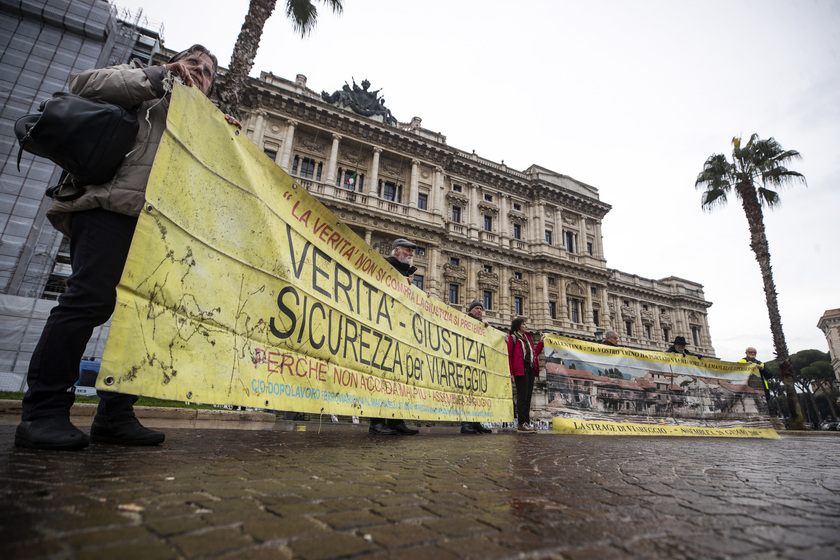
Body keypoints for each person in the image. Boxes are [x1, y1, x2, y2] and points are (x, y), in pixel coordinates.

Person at [15, 45, 238, 451]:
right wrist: (158, 76)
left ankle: (115, 415)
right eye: (192, 62)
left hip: (160, 228)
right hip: (109, 206)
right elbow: (82, 83)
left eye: (206, 72)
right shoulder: (142, 82)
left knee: (143, 319)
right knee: (89, 301)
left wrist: (221, 139)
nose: (198, 72)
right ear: (175, 63)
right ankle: (43, 412)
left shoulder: (201, 121)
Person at [368, 238, 420, 436]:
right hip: (384, 329)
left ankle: (396, 420)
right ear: (396, 250)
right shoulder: (386, 267)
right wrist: (399, 283)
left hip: (401, 330)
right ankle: (377, 422)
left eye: (412, 251)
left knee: (399, 377)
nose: (411, 254)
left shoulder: (406, 272)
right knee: (382, 375)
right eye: (407, 250)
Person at [506, 317, 545, 433]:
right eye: (524, 324)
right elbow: (509, 356)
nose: (526, 326)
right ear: (518, 326)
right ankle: (521, 423)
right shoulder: (512, 338)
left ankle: (526, 423)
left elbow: (534, 353)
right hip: (520, 370)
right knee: (522, 397)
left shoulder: (528, 338)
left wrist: (541, 343)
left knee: (528, 397)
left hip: (529, 369)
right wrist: (511, 373)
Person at [460, 300, 492, 434]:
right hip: (467, 361)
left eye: (481, 309)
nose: (479, 311)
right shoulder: (465, 320)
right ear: (471, 310)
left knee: (477, 394)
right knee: (467, 393)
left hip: (478, 363)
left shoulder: (482, 324)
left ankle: (476, 421)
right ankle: (466, 423)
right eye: (477, 308)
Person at [739, 347, 774, 412]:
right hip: (747, 389)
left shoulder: (761, 364)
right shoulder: (741, 362)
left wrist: (762, 369)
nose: (752, 353)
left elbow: (769, 375)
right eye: (750, 352)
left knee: (768, 408)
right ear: (746, 353)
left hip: (762, 389)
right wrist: (744, 366)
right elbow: (735, 372)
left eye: (754, 352)